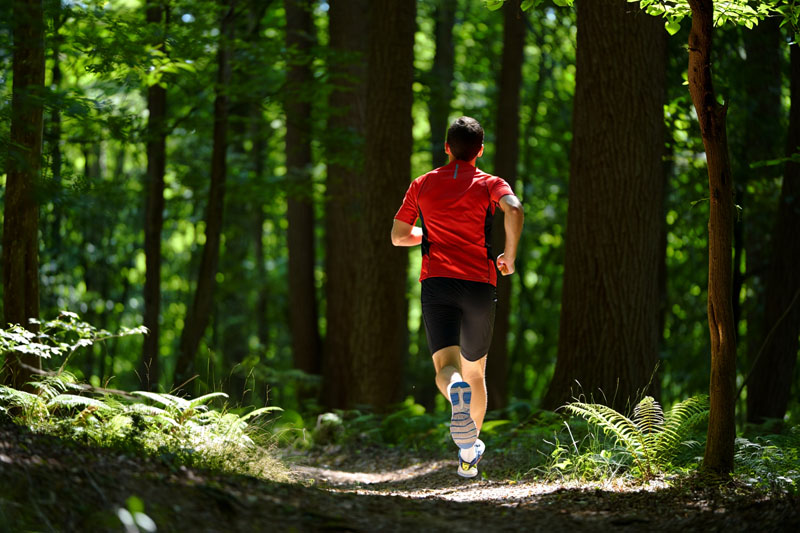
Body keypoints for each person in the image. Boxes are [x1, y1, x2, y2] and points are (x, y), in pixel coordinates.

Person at [391, 116, 524, 478]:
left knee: (446, 368)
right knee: (476, 372)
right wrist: (509, 256)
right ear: (480, 151)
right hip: (480, 284)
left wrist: (431, 234)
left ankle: (456, 396)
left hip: (437, 283)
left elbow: (399, 236)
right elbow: (513, 208)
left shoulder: (422, 184)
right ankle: (468, 454)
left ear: (447, 148)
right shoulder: (490, 183)